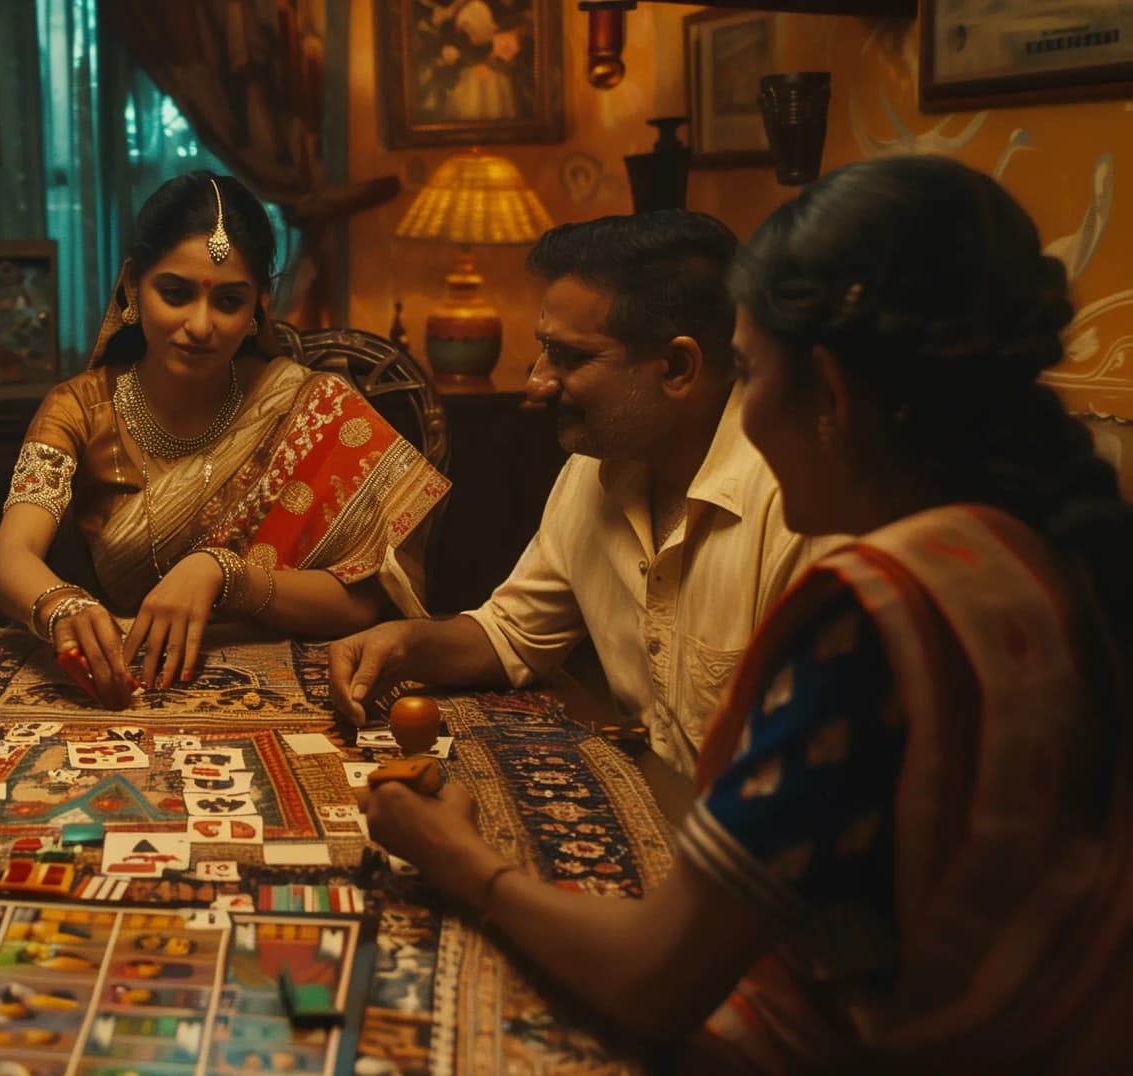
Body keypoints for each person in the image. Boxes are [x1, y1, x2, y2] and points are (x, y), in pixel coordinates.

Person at [362, 156, 1133, 1071]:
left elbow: (655, 979)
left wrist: (462, 865)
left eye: (754, 376)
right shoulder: (1047, 551)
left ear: (833, 399)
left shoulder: (874, 613)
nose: (748, 418)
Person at [329, 210, 838, 775]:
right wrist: (403, 643)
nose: (536, 382)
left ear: (676, 367)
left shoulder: (801, 504)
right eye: (543, 349)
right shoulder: (596, 465)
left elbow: (815, 779)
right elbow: (516, 635)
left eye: (571, 357)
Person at [0, 172, 449, 707]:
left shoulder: (310, 406)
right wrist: (63, 606)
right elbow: (9, 560)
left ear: (260, 305)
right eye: (176, 294)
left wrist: (225, 574)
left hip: (286, 688)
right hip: (128, 685)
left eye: (229, 301)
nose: (200, 325)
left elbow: (362, 603)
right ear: (134, 286)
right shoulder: (79, 409)